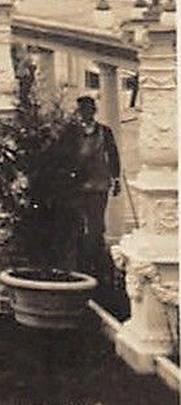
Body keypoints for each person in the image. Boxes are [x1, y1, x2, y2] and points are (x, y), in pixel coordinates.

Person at [62, 96, 121, 279]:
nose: (84, 114)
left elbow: (113, 155)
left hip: (98, 185)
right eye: (81, 110)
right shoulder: (71, 132)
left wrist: (116, 178)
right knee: (77, 225)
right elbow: (64, 156)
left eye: (88, 109)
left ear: (94, 111)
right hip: (77, 187)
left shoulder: (104, 132)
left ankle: (97, 267)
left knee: (96, 227)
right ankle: (78, 267)